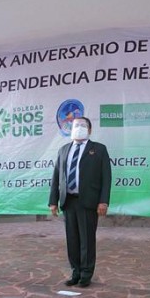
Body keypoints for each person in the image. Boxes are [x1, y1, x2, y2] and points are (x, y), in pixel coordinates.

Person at [49, 117, 111, 287]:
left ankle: (86, 273)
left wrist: (103, 202)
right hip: (68, 202)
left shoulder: (98, 149)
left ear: (90, 130)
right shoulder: (63, 150)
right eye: (76, 125)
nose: (79, 128)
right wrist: (53, 201)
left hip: (88, 202)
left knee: (87, 240)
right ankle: (75, 272)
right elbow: (56, 177)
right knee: (72, 240)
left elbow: (106, 178)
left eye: (83, 126)